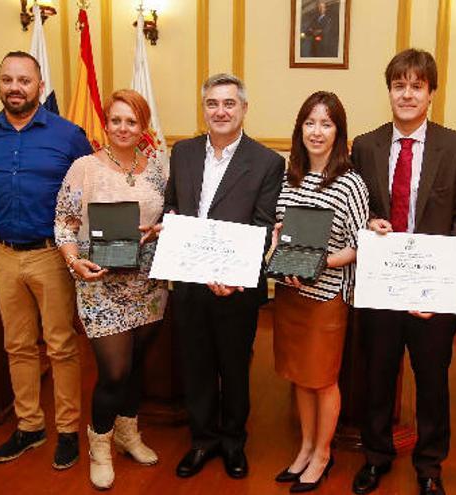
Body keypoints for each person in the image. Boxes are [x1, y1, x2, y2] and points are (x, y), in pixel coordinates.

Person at [350, 48, 456, 495]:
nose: (407, 94)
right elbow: (358, 210)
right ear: (389, 91)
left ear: (431, 93)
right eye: (399, 85)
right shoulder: (365, 146)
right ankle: (376, 455)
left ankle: (429, 465)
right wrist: (367, 222)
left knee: (432, 380)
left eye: (416, 86)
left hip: (432, 294)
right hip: (381, 286)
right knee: (378, 375)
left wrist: (435, 289)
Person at [157, 73, 284, 480]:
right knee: (195, 365)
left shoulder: (267, 162)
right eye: (212, 103)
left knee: (233, 367)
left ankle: (232, 442)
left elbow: (263, 227)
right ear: (204, 109)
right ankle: (202, 440)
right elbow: (173, 205)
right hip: (190, 283)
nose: (221, 111)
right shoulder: (184, 152)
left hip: (236, 287)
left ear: (244, 109)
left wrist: (232, 273)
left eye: (229, 103)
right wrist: (170, 221)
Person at [0, 51, 93, 470]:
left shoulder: (70, 135)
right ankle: (29, 426)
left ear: (40, 86)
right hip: (3, 255)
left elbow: (83, 195)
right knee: (17, 346)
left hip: (51, 255)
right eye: (7, 79)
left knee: (60, 346)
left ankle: (69, 430)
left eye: (24, 80)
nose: (15, 87)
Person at [54, 89, 168, 489]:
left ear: (144, 127)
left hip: (148, 282)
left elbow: (168, 216)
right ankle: (99, 445)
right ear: (105, 123)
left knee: (136, 367)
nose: (123, 127)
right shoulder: (84, 167)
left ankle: (128, 433)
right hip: (99, 284)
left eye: (132, 121)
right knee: (114, 371)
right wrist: (73, 260)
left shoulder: (155, 167)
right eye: (116, 120)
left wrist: (160, 228)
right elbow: (65, 222)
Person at [270, 91, 369, 493]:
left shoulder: (350, 183)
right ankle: (305, 446)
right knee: (298, 375)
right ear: (300, 129)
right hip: (289, 293)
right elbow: (278, 232)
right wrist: (277, 250)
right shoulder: (287, 177)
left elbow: (360, 244)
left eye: (326, 124)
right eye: (310, 122)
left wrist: (318, 264)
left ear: (339, 132)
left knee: (322, 379)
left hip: (325, 296)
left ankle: (323, 453)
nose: (317, 131)